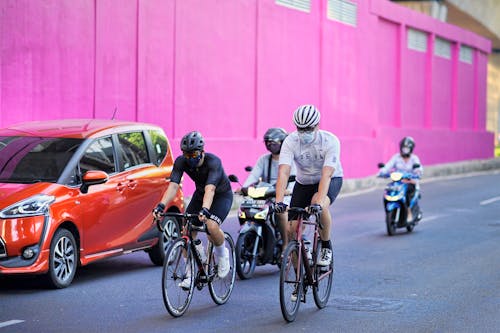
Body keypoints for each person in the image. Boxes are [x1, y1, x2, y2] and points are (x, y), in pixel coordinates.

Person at [153, 131, 232, 288]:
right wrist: (161, 205)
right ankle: (190, 274)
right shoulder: (181, 162)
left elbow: (210, 190)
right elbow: (173, 185)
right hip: (200, 194)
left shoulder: (213, 162)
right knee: (186, 230)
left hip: (221, 195)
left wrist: (204, 210)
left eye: (194, 154)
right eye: (187, 155)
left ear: (202, 151)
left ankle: (223, 255)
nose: (190, 158)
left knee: (211, 225)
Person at [274, 104, 343, 270]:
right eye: (300, 129)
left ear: (317, 125)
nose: (304, 133)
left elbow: (326, 175)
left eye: (308, 128)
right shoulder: (290, 141)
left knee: (317, 201)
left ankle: (326, 246)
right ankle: (300, 274)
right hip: (303, 182)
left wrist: (318, 204)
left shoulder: (330, 141)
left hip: (330, 179)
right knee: (291, 229)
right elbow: (283, 172)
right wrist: (279, 201)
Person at [239, 127, 296, 247]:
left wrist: (288, 190)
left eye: (273, 142)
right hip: (266, 194)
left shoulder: (291, 159)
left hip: (286, 195)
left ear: (283, 142)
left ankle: (286, 243)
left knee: (281, 211)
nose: (270, 145)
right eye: (267, 142)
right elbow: (254, 175)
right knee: (247, 208)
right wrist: (243, 188)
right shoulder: (264, 159)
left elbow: (295, 178)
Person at [379, 136, 423, 221]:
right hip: (398, 182)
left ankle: (409, 212)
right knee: (387, 192)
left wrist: (417, 172)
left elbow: (419, 168)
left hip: (410, 182)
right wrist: (382, 172)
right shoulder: (396, 157)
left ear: (411, 149)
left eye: (406, 148)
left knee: (406, 194)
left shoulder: (414, 158)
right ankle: (388, 212)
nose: (404, 150)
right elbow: (388, 166)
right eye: (403, 148)